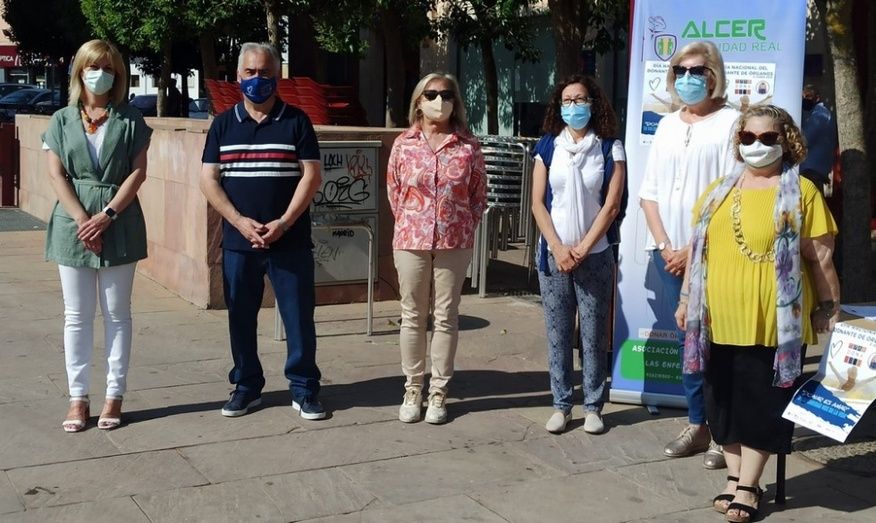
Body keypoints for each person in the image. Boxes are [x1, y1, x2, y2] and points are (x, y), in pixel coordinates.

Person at [677, 105, 839, 523]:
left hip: (773, 323)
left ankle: (749, 485)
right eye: (747, 137)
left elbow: (821, 258)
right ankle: (734, 479)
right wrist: (684, 300)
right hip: (716, 319)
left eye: (768, 138)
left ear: (787, 140)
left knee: (761, 405)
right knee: (722, 403)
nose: (756, 145)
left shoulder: (803, 191)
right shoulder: (718, 190)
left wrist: (828, 308)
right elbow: (697, 253)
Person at [199, 42, 325, 420]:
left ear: (277, 76)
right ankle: (246, 385)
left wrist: (284, 222)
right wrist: (239, 221)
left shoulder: (297, 121)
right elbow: (208, 180)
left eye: (265, 72)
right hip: (239, 242)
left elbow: (311, 176)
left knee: (298, 317)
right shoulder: (222, 125)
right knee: (240, 317)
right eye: (250, 72)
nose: (258, 79)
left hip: (290, 240)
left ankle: (304, 388)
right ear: (238, 77)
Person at [43, 39, 152, 432]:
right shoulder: (61, 119)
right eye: (93, 66)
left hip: (118, 219)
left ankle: (113, 395)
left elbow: (138, 172)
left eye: (108, 67)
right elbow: (56, 174)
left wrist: (105, 216)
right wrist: (81, 220)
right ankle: (78, 398)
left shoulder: (131, 119)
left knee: (117, 314)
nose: (100, 74)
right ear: (80, 71)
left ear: (118, 74)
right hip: (72, 223)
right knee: (76, 315)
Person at [639, 40, 738, 468]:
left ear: (713, 75)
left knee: (718, 345)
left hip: (712, 254)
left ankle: (724, 433)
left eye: (696, 71)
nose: (687, 78)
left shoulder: (732, 123)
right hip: (667, 255)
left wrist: (691, 250)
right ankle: (698, 424)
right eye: (680, 71)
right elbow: (649, 194)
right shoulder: (666, 125)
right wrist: (667, 246)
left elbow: (731, 194)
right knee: (688, 344)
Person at [386, 72, 486, 424]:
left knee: (446, 316)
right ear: (419, 101)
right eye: (431, 94)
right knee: (413, 314)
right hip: (411, 238)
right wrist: (412, 221)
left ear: (456, 102)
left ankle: (439, 391)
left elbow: (478, 195)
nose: (439, 101)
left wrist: (460, 224)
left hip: (453, 240)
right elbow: (395, 191)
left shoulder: (468, 146)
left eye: (446, 94)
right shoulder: (403, 144)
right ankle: (413, 388)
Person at [531, 75, 625, 435]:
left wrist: (583, 248)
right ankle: (561, 404)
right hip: (554, 256)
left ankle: (593, 406)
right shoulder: (547, 146)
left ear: (593, 103)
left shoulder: (610, 147)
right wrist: (558, 247)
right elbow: (538, 203)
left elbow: (612, 205)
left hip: (595, 255)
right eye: (567, 100)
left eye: (580, 99)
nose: (574, 106)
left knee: (594, 334)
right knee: (557, 334)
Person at [800, 85, 837, 194]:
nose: (805, 99)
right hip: (815, 167)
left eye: (808, 96)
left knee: (810, 197)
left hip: (812, 167)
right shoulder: (817, 113)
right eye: (803, 97)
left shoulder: (819, 115)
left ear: (817, 98)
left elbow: (806, 139)